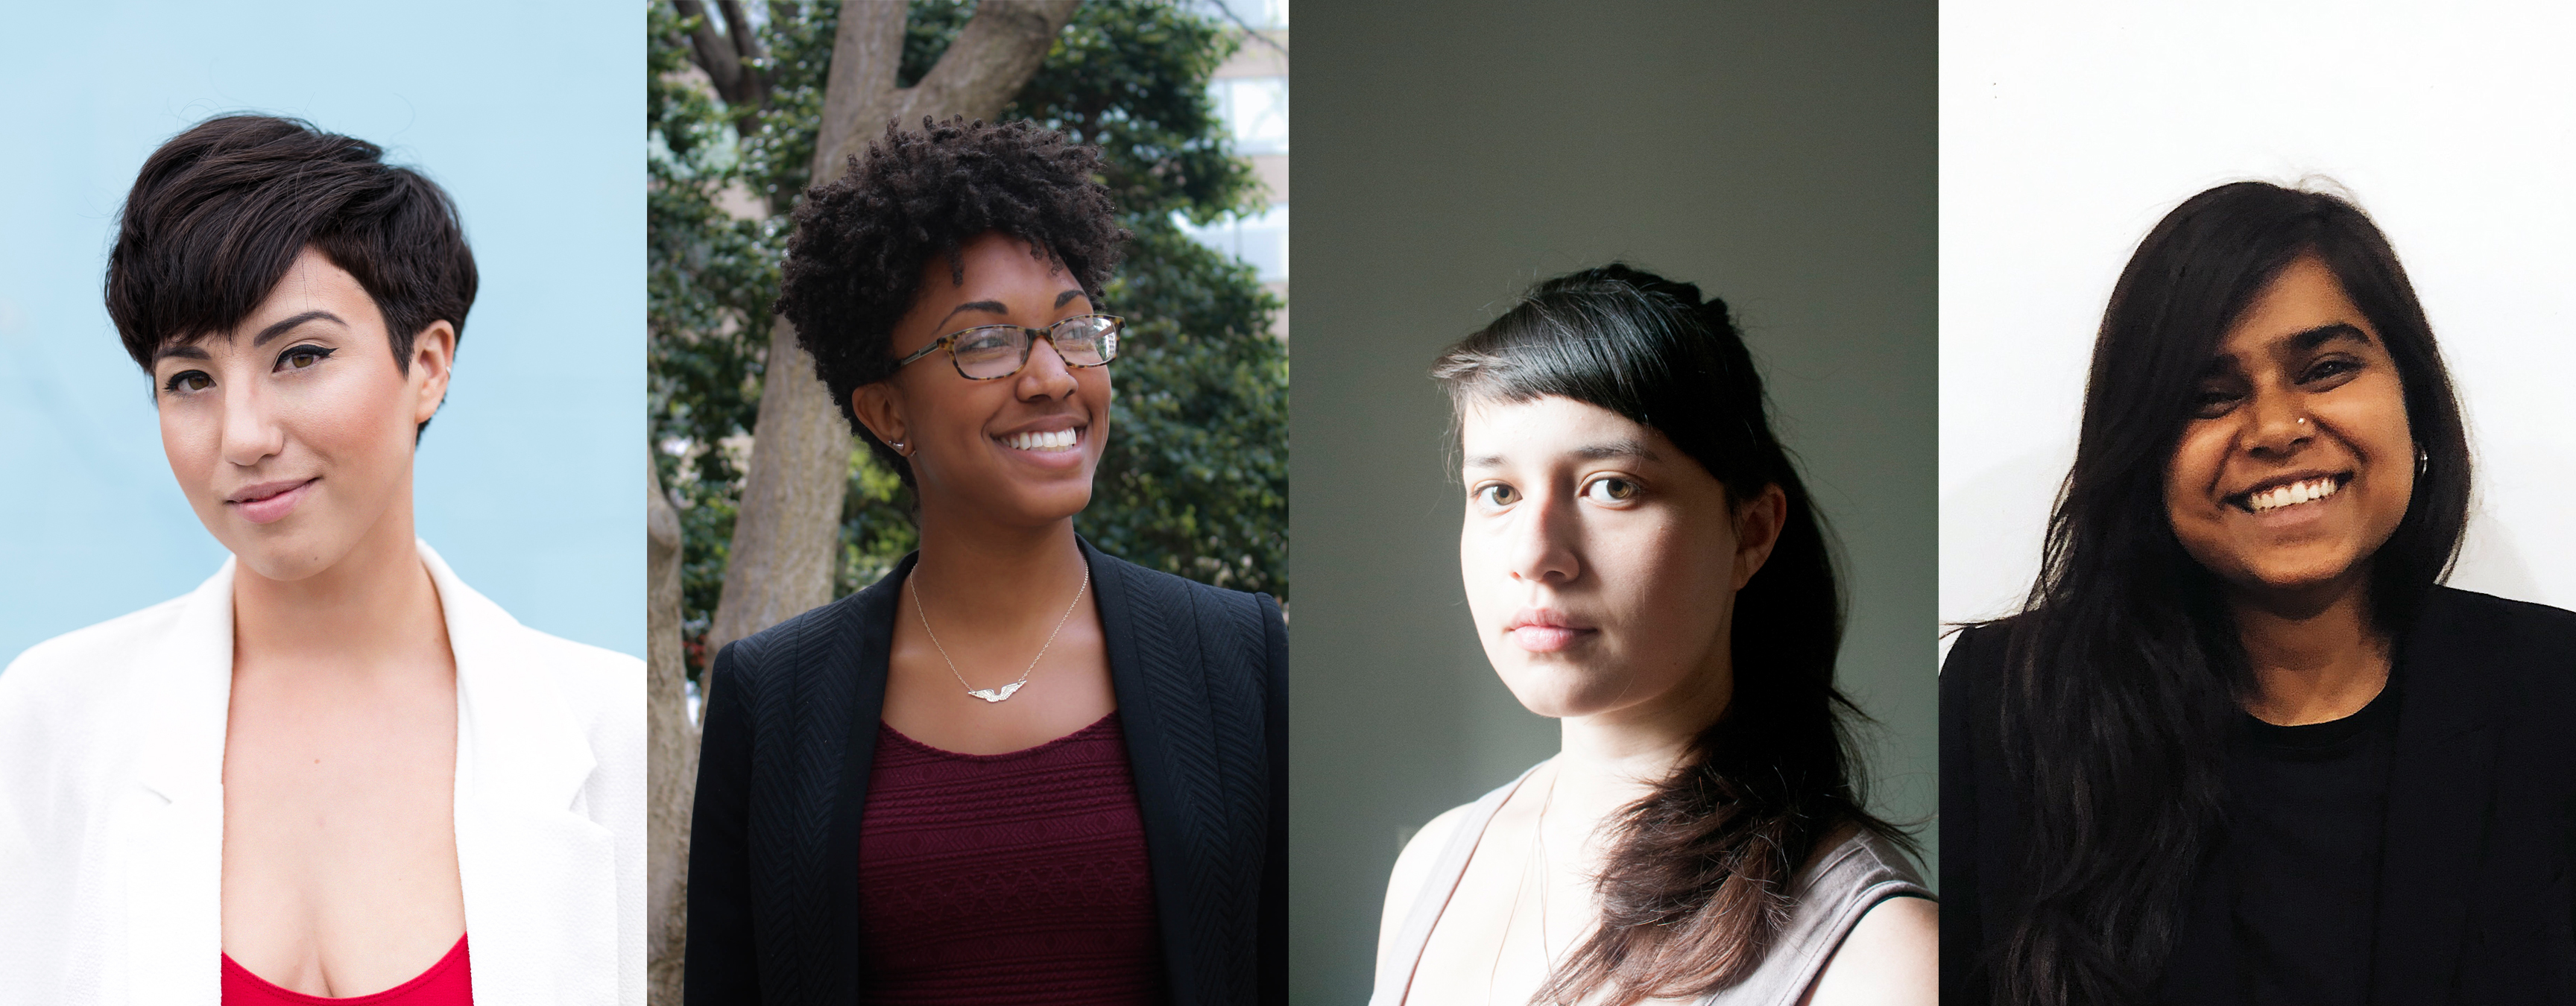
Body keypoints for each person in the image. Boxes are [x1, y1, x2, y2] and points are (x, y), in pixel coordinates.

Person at [0, 115, 643, 1004]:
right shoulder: (53, 718)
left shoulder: (612, 728)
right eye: (189, 379)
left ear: (428, 363)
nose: (245, 436)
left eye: (300, 356)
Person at [684, 117, 1287, 1005]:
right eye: (985, 341)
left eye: (1075, 329)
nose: (1052, 377)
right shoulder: (773, 697)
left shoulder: (1233, 652)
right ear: (887, 412)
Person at [1941, 181, 2576, 1005]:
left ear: (2413, 399)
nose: (2277, 429)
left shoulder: (2553, 690)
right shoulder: (2008, 708)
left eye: (2327, 368)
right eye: (2210, 397)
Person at [1374, 265, 1936, 1006]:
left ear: (1752, 532)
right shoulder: (1431, 865)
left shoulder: (1888, 961)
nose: (1536, 554)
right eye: (1499, 493)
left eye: (1612, 486)